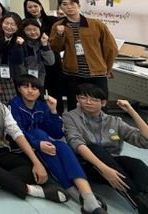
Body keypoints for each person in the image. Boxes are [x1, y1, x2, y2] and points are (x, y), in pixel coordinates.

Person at [0, 70, 67, 203]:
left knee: (31, 167)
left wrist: (36, 162)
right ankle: (33, 191)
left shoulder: (2, 107)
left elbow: (16, 133)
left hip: (0, 149)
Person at [9, 75, 106, 214]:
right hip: (22, 148)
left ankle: (87, 196)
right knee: (38, 133)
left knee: (63, 146)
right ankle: (72, 190)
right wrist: (38, 144)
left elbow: (57, 133)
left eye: (34, 88)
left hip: (44, 144)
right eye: (25, 87)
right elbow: (18, 131)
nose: (30, 91)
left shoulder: (42, 105)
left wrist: (53, 111)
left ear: (40, 91)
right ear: (19, 89)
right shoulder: (14, 104)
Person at [63, 83, 148, 212]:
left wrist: (131, 111)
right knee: (96, 149)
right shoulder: (70, 117)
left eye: (94, 99)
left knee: (136, 163)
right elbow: (76, 143)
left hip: (111, 161)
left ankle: (145, 198)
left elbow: (145, 140)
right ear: (77, 99)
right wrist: (105, 169)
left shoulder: (114, 121)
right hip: (86, 164)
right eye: (83, 98)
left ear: (103, 103)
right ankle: (137, 201)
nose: (88, 102)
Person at [50, 0, 118, 111]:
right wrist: (60, 34)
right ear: (61, 8)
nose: (69, 7)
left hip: (97, 74)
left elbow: (111, 48)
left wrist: (107, 68)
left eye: (72, 3)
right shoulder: (58, 25)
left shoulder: (96, 24)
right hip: (72, 74)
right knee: (74, 106)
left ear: (79, 5)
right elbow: (55, 48)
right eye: (64, 4)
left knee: (100, 105)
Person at [23, 0, 63, 113]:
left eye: (35, 6)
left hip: (51, 57)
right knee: (38, 90)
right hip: (35, 61)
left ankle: (57, 114)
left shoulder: (52, 20)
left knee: (55, 89)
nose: (33, 9)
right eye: (30, 7)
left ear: (41, 6)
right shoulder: (24, 22)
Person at [18, 19, 55, 84]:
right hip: (24, 81)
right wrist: (26, 81)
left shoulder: (42, 42)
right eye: (28, 30)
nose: (33, 32)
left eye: (35, 29)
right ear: (23, 31)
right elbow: (20, 66)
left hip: (40, 80)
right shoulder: (20, 44)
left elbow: (50, 62)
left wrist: (45, 45)